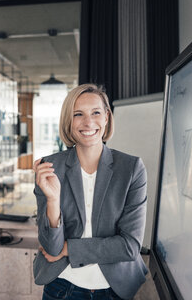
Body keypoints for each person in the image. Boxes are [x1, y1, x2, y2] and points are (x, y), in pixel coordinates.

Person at [33, 84, 148, 300]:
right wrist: (53, 200)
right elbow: (51, 248)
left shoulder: (131, 168)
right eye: (78, 114)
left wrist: (70, 249)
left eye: (96, 112)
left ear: (106, 117)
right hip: (62, 287)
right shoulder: (50, 167)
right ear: (69, 121)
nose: (88, 122)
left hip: (113, 289)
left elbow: (129, 247)